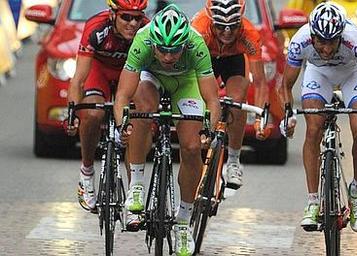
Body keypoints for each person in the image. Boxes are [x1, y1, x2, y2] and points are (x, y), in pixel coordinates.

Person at [113, 4, 221, 255]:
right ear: (154, 44)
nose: (168, 57)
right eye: (162, 50)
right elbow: (122, 95)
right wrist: (122, 124)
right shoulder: (142, 39)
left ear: (185, 43)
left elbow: (213, 100)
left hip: (187, 82)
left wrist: (209, 128)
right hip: (151, 78)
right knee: (141, 109)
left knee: (193, 146)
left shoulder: (196, 43)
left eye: (174, 50)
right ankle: (137, 184)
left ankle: (183, 221)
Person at [278, 3, 357, 232]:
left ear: (341, 36)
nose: (327, 50)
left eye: (332, 42)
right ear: (312, 36)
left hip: (352, 73)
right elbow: (285, 86)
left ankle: (356, 192)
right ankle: (312, 202)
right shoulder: (300, 41)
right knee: (313, 128)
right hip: (318, 74)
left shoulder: (355, 42)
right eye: (321, 42)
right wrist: (288, 114)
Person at [66, 0, 148, 213]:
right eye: (126, 17)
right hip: (99, 71)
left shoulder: (147, 30)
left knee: (138, 119)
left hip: (129, 74)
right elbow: (79, 79)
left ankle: (133, 193)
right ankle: (86, 172)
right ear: (113, 15)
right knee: (92, 113)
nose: (132, 23)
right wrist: (73, 112)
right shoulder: (96, 28)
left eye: (137, 18)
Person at [191, 0, 270, 190]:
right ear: (211, 21)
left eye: (233, 26)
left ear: (240, 22)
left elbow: (260, 82)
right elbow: (188, 77)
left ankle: (234, 161)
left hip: (233, 61)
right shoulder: (198, 30)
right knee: (201, 96)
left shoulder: (249, 34)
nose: (227, 32)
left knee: (237, 102)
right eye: (220, 26)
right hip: (205, 59)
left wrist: (260, 119)